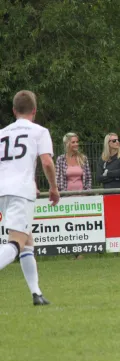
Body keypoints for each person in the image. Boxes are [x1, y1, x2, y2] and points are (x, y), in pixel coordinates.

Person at [0, 90, 60, 306]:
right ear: (34, 110)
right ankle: (36, 293)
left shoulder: (2, 133)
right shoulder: (39, 131)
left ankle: (36, 294)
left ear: (14, 111)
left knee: (27, 243)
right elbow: (46, 162)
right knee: (16, 243)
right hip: (21, 192)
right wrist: (53, 187)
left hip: (3, 191)